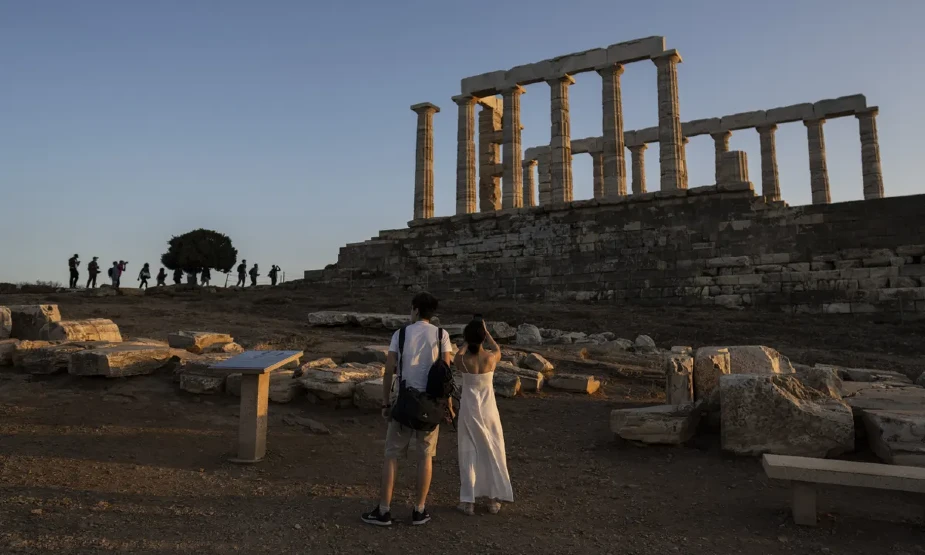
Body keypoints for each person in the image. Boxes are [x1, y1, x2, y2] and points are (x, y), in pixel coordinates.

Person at [361, 292, 453, 527]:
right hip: (431, 406)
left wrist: (385, 402)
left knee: (392, 456)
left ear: (414, 310)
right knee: (425, 457)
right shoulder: (442, 335)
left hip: (404, 404)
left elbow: (389, 368)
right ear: (432, 314)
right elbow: (446, 374)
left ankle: (383, 510)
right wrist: (448, 406)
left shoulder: (400, 334)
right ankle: (419, 510)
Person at [453, 319, 514, 516]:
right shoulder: (491, 358)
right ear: (483, 338)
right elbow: (497, 349)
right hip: (489, 410)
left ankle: (468, 501)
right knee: (492, 450)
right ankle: (492, 500)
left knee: (469, 452)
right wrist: (488, 335)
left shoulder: (462, 361)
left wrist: (465, 342)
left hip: (469, 410)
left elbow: (458, 355)